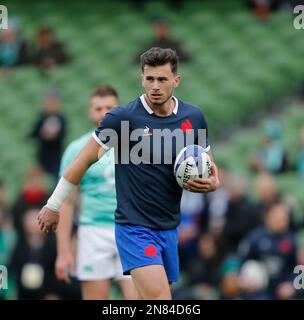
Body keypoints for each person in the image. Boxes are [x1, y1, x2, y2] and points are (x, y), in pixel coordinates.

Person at [37, 47, 220, 300]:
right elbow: (83, 160)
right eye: (149, 79)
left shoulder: (193, 117)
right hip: (134, 228)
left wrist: (214, 180)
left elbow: (207, 161)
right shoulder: (123, 118)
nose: (155, 86)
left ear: (176, 81)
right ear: (141, 79)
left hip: (169, 227)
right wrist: (53, 204)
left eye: (162, 79)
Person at [55, 85, 137, 300]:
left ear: (119, 109)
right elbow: (67, 202)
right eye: (98, 108)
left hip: (131, 229)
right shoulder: (76, 150)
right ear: (90, 112)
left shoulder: (137, 145)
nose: (103, 113)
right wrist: (63, 252)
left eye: (109, 107)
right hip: (93, 232)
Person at [29, 89, 66, 180]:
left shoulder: (61, 119)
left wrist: (53, 136)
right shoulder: (41, 118)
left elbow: (63, 134)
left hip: (56, 158)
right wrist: (42, 135)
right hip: (42, 158)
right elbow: (32, 134)